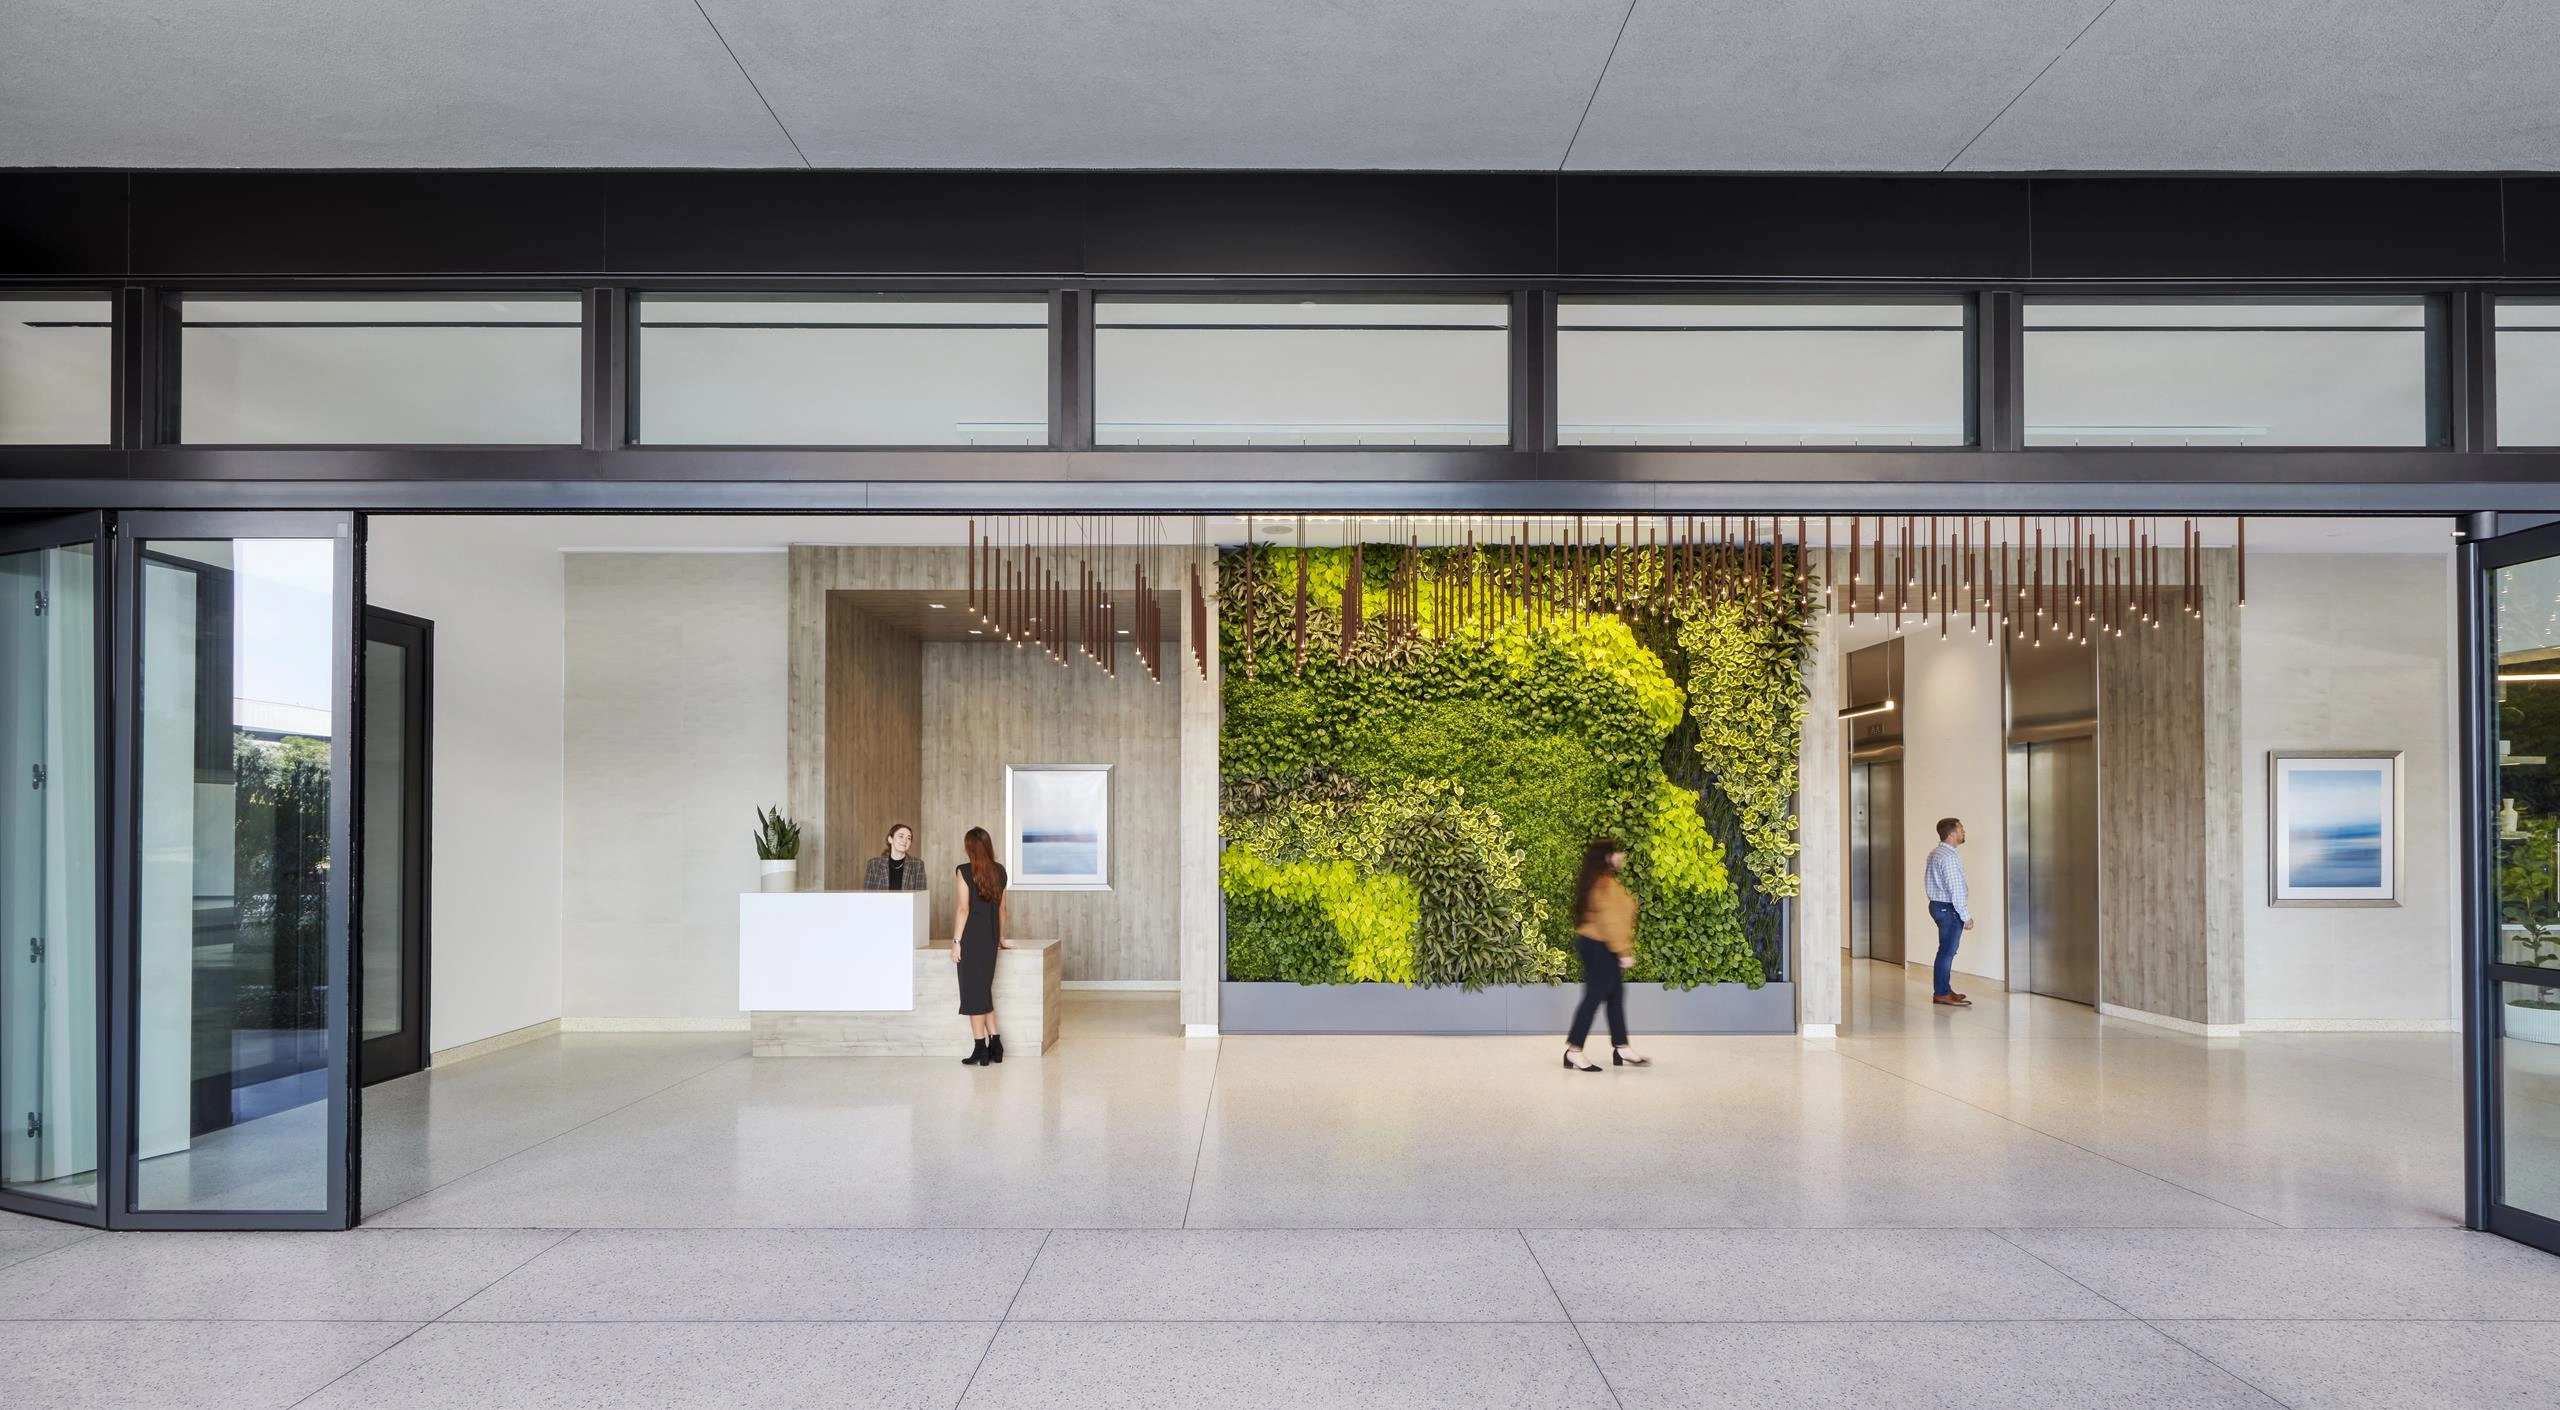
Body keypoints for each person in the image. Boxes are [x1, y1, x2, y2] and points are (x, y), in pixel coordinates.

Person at [1563, 838, 1648, 1072]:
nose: (1622, 856)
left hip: (1596, 944)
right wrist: (1623, 952)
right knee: (1593, 998)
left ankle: (1621, 1046)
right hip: (1600, 946)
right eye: (1617, 852)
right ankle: (1574, 1051)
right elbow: (1611, 921)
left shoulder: (1602, 882)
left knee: (1615, 995)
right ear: (1607, 857)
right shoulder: (1604, 885)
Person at [952, 826, 1011, 1064]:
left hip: (972, 938)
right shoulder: (1000, 871)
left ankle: (981, 1049)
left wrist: (957, 942)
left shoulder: (964, 871)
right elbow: (1002, 910)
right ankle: (995, 1042)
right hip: (989, 937)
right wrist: (1000, 938)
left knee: (974, 995)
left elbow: (963, 909)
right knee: (983, 992)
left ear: (969, 848)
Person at [1924, 817, 1973, 1007]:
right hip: (1948, 908)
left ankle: (1944, 989)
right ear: (1952, 834)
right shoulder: (1949, 857)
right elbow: (1956, 889)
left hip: (1937, 905)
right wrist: (1965, 916)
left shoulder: (1935, 853)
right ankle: (1942, 993)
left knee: (1945, 950)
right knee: (1947, 952)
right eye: (1961, 829)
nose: (1963, 832)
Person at [861, 823, 926, 892]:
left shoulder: (918, 865)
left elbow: (920, 897)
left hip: (906, 903)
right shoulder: (873, 864)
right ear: (890, 839)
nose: (905, 841)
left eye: (909, 838)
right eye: (901, 836)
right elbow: (867, 895)